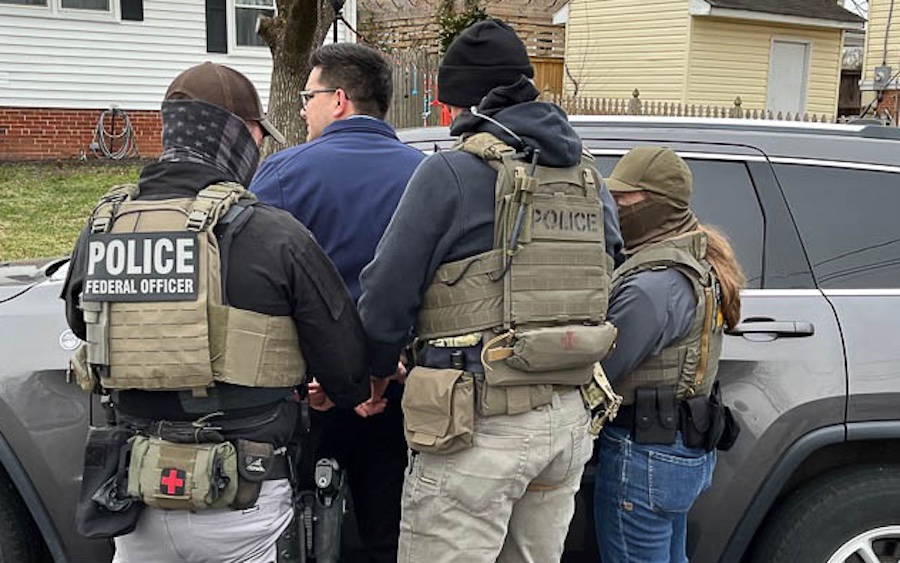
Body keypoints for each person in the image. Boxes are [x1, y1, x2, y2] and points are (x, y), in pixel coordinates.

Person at [61, 61, 369, 563]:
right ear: (239, 135)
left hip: (137, 499)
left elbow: (82, 323)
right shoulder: (274, 234)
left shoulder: (102, 227)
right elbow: (348, 369)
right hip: (246, 505)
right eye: (256, 133)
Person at [358, 19, 622, 563]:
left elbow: (386, 295)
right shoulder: (589, 178)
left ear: (462, 105)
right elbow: (606, 266)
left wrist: (377, 371)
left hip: (477, 424)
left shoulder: (452, 173)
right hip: (569, 418)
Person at [250, 43, 424, 562]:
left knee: (297, 525)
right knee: (388, 529)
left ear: (339, 99)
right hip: (399, 387)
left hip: (311, 393)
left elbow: (256, 288)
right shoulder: (429, 175)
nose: (302, 108)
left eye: (309, 95)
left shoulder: (282, 174)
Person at [593, 146, 744, 562]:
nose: (615, 206)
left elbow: (600, 368)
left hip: (643, 458)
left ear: (661, 205)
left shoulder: (653, 284)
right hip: (675, 452)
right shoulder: (696, 259)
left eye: (625, 199)